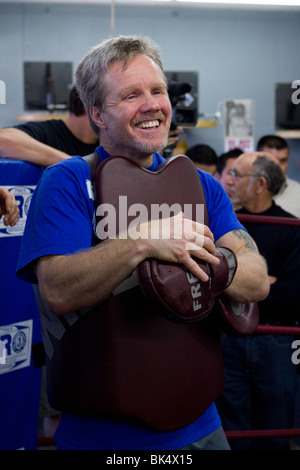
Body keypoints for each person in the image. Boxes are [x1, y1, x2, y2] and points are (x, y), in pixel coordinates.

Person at [16, 35, 269, 451]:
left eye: (158, 90)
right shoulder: (67, 181)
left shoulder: (202, 185)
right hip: (105, 436)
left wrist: (214, 263)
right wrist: (141, 242)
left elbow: (257, 279)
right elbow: (58, 289)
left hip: (202, 425)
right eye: (131, 95)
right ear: (97, 112)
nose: (152, 104)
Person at [216, 152, 300, 450]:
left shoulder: (291, 227)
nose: (229, 180)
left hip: (274, 341)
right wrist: (261, 282)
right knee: (230, 423)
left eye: (238, 175)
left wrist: (235, 283)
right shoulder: (225, 224)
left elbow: (291, 296)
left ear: (260, 184)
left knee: (275, 425)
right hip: (228, 335)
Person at [0, 86, 98, 167]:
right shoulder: (48, 132)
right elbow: (3, 140)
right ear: (94, 111)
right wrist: (75, 166)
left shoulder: (108, 143)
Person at [257, 134, 300, 218]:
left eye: (283, 161)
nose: (278, 167)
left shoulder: (298, 193)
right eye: (272, 161)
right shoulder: (245, 192)